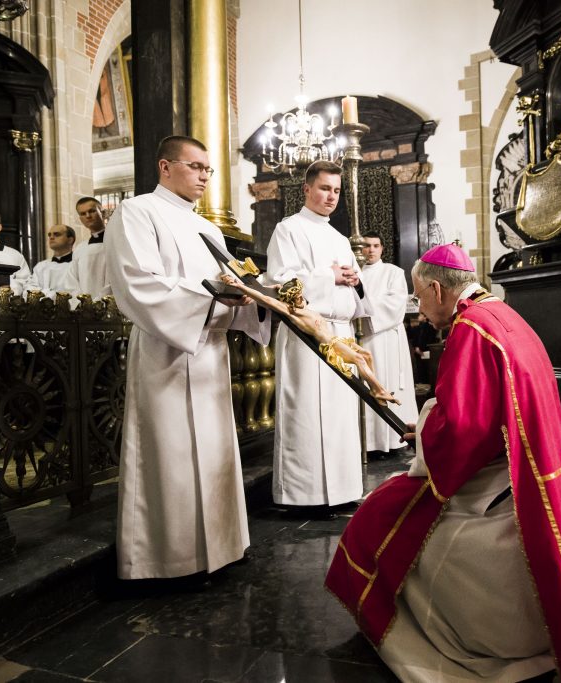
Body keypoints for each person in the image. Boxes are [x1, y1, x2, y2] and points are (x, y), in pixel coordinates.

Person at [326, 243, 561, 683]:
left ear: (437, 289)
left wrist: (427, 431)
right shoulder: (499, 314)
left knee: (381, 514)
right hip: (521, 465)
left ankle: (411, 625)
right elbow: (479, 410)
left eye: (419, 297)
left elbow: (462, 431)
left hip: (492, 473)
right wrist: (430, 426)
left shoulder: (471, 329)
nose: (420, 309)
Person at [105, 135, 269, 580]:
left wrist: (256, 298)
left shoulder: (207, 229)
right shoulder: (136, 212)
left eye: (208, 169)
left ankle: (221, 548)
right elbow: (138, 284)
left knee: (214, 453)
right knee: (170, 456)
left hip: (210, 354)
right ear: (165, 166)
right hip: (166, 352)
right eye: (195, 166)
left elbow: (229, 286)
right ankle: (169, 559)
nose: (204, 176)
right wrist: (212, 299)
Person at [266, 159, 368, 512]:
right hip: (307, 330)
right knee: (306, 411)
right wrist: (330, 277)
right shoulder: (288, 229)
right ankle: (302, 495)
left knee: (340, 415)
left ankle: (343, 490)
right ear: (306, 188)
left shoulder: (339, 238)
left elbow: (355, 288)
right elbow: (279, 282)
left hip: (340, 331)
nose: (331, 196)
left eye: (337, 190)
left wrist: (354, 280)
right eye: (325, 188)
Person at [219, 274, 399, 404]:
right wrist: (242, 287)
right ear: (290, 300)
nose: (300, 297)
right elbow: (266, 299)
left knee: (366, 355)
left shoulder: (306, 309)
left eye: (300, 294)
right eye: (296, 296)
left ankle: (374, 387)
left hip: (336, 339)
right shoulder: (294, 313)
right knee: (359, 359)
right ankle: (379, 391)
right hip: (330, 345)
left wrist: (279, 288)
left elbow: (276, 293)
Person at [358, 232, 419, 458]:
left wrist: (362, 309)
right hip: (363, 339)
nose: (371, 250)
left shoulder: (393, 272)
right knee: (367, 384)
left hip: (387, 338)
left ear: (382, 248)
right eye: (366, 246)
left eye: (375, 245)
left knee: (388, 381)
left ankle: (394, 439)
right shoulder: (355, 274)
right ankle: (371, 442)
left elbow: (395, 304)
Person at [63, 196, 111, 299]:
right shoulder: (80, 249)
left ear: (103, 213)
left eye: (92, 211)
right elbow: (72, 281)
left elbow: (117, 277)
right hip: (83, 305)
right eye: (83, 214)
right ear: (80, 219)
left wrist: (100, 302)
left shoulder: (115, 242)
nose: (88, 216)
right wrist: (82, 302)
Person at [31, 224, 76, 296]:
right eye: (49, 235)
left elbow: (76, 290)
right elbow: (31, 288)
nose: (51, 237)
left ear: (70, 240)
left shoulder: (77, 265)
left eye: (57, 234)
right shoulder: (40, 266)